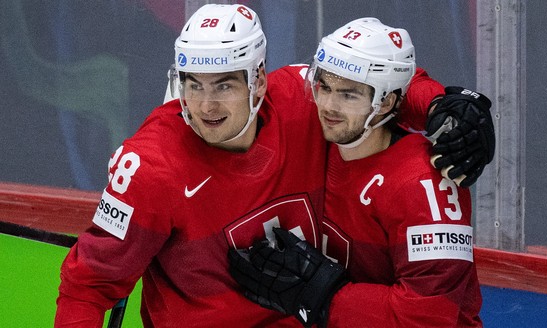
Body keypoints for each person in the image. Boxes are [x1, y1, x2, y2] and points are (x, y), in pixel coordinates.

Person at [55, 4, 492, 327]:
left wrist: (440, 105)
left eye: (224, 84)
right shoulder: (151, 166)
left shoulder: (303, 105)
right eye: (194, 84)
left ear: (258, 80)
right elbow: (87, 287)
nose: (206, 105)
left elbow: (371, 79)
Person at [229, 18, 485, 327]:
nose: (329, 106)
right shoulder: (325, 137)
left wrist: (325, 295)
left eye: (349, 95)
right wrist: (435, 102)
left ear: (386, 102)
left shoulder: (425, 184)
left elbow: (429, 317)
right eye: (324, 87)